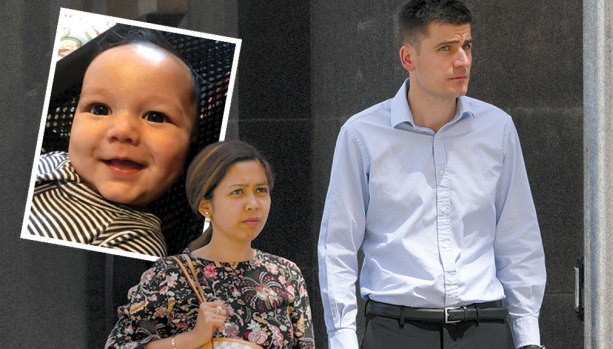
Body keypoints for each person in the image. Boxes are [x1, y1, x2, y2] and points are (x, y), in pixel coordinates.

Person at [317, 1, 546, 348]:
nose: (463, 61)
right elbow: (337, 247)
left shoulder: (498, 129)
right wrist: (343, 340)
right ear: (408, 58)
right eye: (446, 48)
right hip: (395, 330)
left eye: (466, 46)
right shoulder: (361, 136)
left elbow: (519, 240)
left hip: (485, 329)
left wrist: (528, 338)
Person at [105, 140, 315, 349]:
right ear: (206, 205)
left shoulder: (286, 275)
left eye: (261, 190)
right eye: (238, 192)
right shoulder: (169, 275)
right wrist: (191, 339)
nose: (253, 204)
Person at [25, 27, 198, 257]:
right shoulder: (46, 160)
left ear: (190, 144)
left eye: (155, 117)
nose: (123, 131)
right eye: (100, 109)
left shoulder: (134, 238)